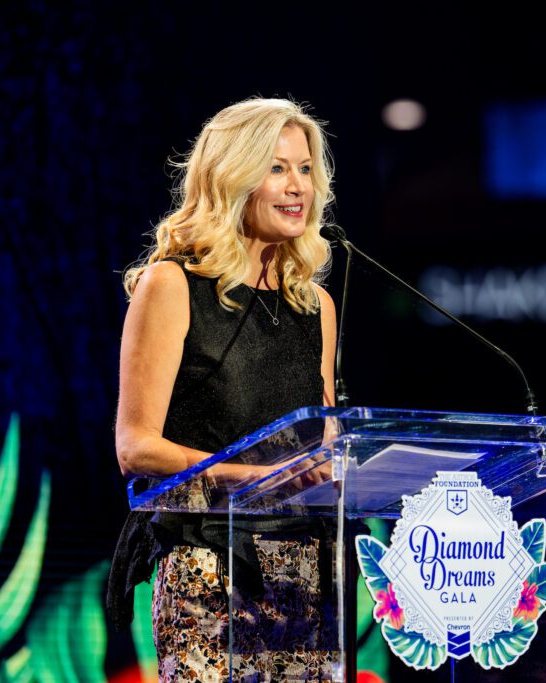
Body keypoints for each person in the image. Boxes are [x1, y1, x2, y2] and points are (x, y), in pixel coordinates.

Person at [107, 97, 339, 683]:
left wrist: (340, 461)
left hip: (301, 572)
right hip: (206, 566)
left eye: (306, 168)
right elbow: (136, 447)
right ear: (232, 177)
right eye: (277, 167)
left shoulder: (315, 306)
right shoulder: (171, 286)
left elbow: (327, 440)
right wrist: (254, 475)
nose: (297, 187)